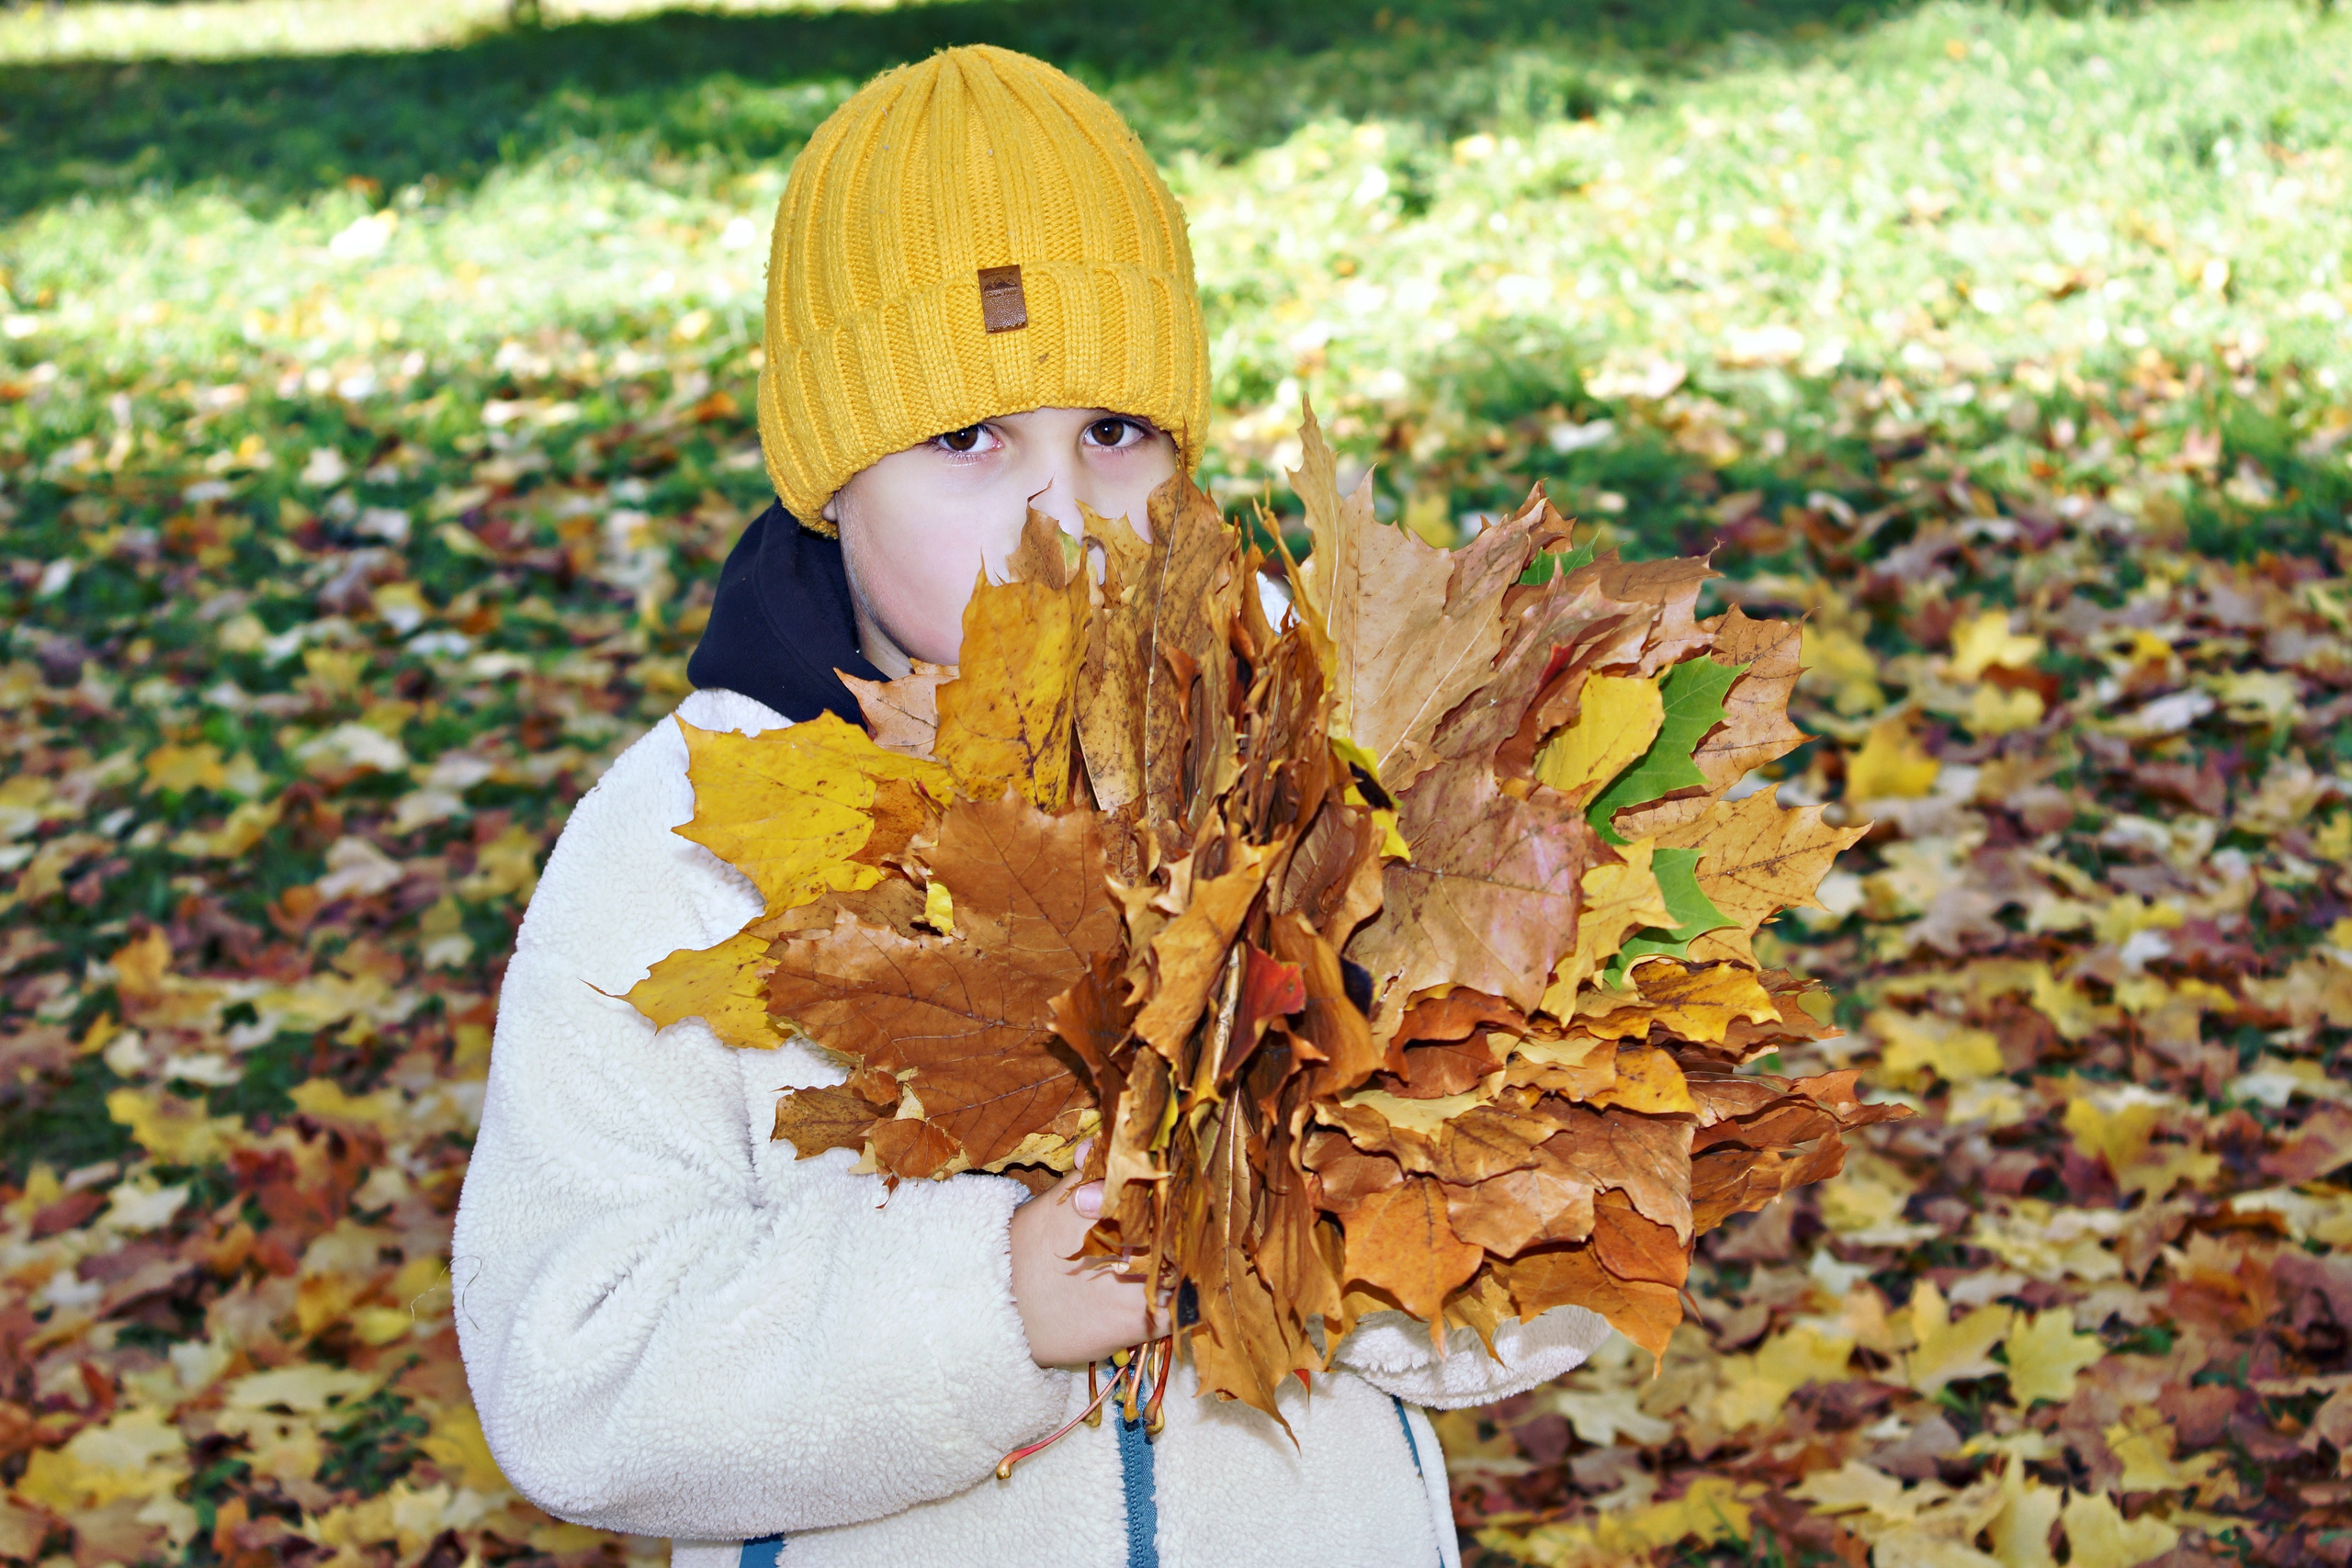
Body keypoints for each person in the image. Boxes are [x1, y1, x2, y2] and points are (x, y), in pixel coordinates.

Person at [451, 45, 1610, 1568]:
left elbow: (1573, 1247)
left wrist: (1326, 1226)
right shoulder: (684, 851)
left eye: (1112, 436)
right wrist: (986, 1305)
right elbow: (574, 1373)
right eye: (967, 439)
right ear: (829, 484)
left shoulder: (1337, 753)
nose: (1058, 511)